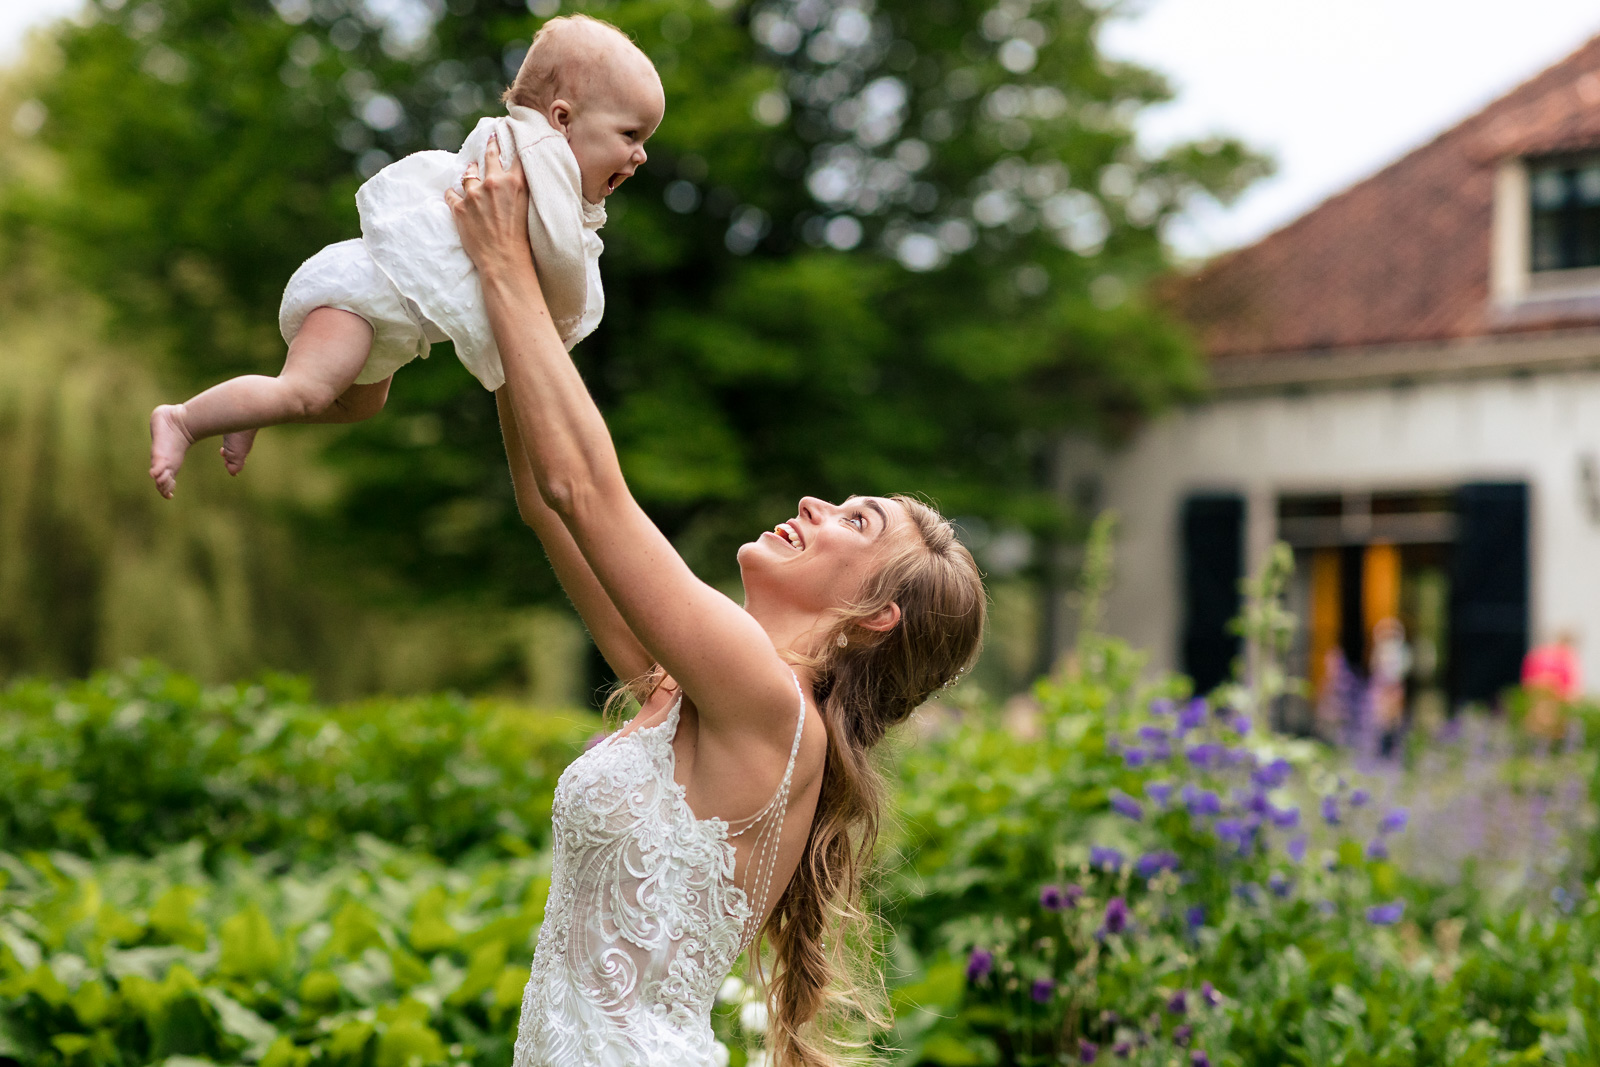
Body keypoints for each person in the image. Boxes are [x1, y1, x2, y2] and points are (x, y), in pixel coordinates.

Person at [448, 142, 987, 1066]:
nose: (816, 503)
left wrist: (509, 268)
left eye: (856, 520)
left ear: (875, 614)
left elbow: (587, 489)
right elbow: (547, 499)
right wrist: (512, 314)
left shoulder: (769, 703)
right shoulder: (687, 688)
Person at [148, 15, 662, 498]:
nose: (640, 154)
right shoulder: (533, 155)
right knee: (305, 392)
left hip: (389, 321)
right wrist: (564, 322)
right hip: (362, 296)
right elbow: (563, 260)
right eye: (630, 134)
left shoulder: (537, 162)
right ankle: (185, 419)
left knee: (354, 406)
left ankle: (248, 409)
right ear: (562, 119)